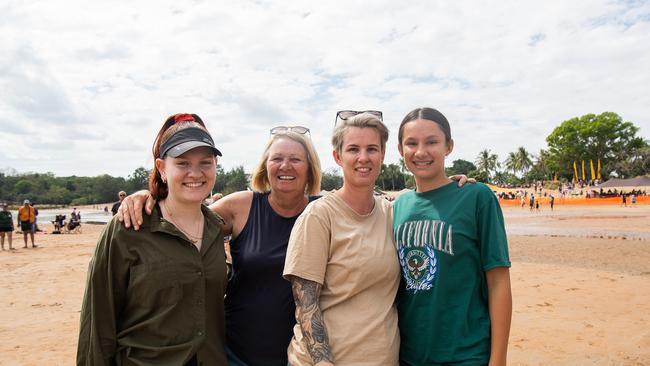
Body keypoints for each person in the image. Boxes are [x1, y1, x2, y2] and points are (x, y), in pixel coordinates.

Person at [118, 125, 323, 366]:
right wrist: (149, 195)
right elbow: (180, 221)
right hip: (235, 352)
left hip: (301, 356)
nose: (285, 166)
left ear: (310, 169)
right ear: (265, 167)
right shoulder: (241, 206)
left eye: (295, 159)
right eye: (276, 158)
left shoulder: (324, 213)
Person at [77, 113, 228, 365]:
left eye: (205, 162)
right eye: (182, 163)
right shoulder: (129, 227)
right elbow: (98, 317)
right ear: (162, 168)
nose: (195, 172)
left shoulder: (216, 228)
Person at [393, 107, 512, 365]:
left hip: (466, 354)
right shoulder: (395, 208)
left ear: (449, 146)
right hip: (409, 356)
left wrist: (498, 360)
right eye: (411, 143)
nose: (421, 152)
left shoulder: (477, 197)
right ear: (400, 150)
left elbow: (499, 282)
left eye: (432, 142)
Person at [283, 111, 400, 365]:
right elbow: (306, 302)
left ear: (382, 155)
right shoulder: (319, 215)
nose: (363, 158)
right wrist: (323, 362)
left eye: (372, 149)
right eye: (353, 149)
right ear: (338, 156)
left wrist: (457, 186)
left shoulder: (391, 212)